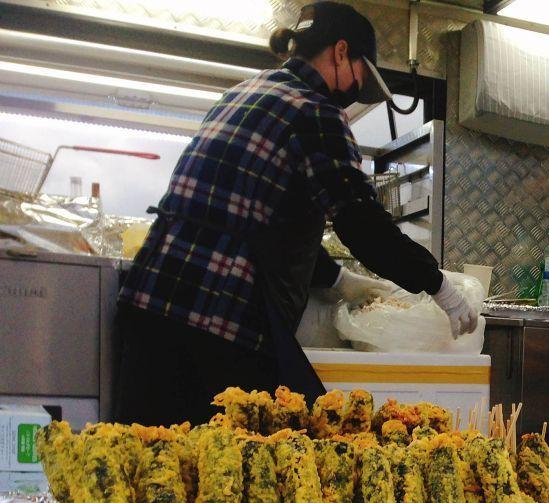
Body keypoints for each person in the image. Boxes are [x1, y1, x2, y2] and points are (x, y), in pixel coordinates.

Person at [115, 2, 478, 427]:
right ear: (340, 52)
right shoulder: (315, 111)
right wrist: (438, 286)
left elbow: (257, 220)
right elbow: (362, 225)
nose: (357, 89)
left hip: (148, 305)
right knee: (242, 455)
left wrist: (338, 279)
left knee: (146, 454)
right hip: (216, 320)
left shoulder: (243, 93)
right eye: (361, 74)